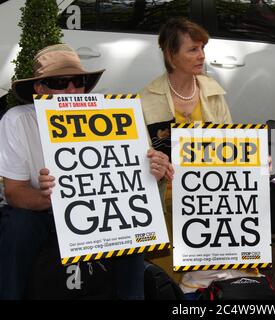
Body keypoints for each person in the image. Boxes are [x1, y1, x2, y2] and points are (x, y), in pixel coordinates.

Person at [0, 43, 172, 300]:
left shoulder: (108, 116)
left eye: (78, 81)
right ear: (39, 89)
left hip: (95, 213)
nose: (71, 89)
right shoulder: (17, 120)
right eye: (60, 82)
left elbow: (127, 178)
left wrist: (152, 170)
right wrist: (49, 198)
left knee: (130, 224)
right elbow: (14, 192)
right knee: (18, 224)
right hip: (39, 212)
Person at [139, 17, 257, 292]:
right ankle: (198, 285)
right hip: (169, 191)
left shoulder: (213, 93)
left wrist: (256, 160)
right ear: (171, 54)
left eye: (202, 47)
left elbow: (232, 146)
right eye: (193, 49)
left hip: (213, 191)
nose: (201, 55)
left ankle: (210, 285)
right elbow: (143, 160)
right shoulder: (146, 99)